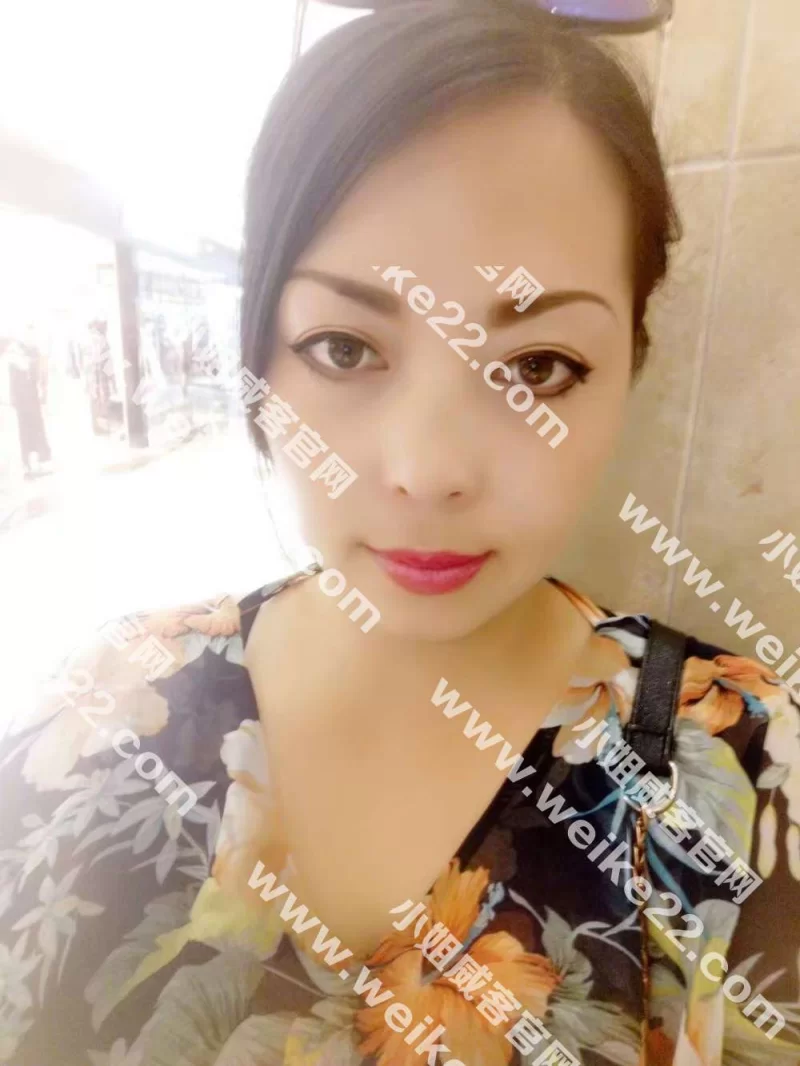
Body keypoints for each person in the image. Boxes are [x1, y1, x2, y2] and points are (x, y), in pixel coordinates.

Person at [0, 3, 797, 1064]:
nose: (426, 470)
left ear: (630, 368)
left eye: (537, 367)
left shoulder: (754, 772)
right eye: (343, 347)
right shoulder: (97, 720)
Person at [5, 330, 52, 478]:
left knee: (33, 428)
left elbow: (36, 374)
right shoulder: (15, 359)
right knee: (27, 430)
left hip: (29, 398)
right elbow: (15, 379)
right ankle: (28, 463)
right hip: (24, 400)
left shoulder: (27, 356)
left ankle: (35, 462)